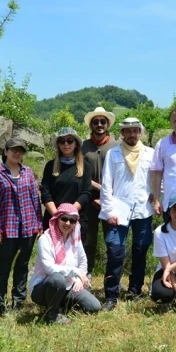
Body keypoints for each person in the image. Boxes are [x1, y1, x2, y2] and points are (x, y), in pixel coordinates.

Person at [99, 117, 155, 310]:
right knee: (115, 251)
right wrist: (109, 210)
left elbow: (157, 178)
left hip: (143, 210)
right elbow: (106, 184)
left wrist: (156, 195)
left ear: (140, 132)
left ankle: (134, 290)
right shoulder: (113, 153)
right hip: (118, 210)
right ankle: (111, 295)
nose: (132, 134)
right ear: (122, 133)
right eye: (128, 131)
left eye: (135, 130)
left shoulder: (150, 153)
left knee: (140, 250)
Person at [0, 137, 42, 316]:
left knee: (22, 265)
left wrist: (39, 223)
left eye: (20, 150)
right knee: (3, 267)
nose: (17, 153)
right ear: (5, 152)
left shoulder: (28, 172)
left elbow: (35, 199)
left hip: (28, 228)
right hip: (6, 229)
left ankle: (18, 302)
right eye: (13, 150)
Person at [29, 204, 101, 324]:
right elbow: (50, 269)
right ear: (57, 218)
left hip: (69, 285)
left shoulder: (75, 240)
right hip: (43, 288)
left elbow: (83, 261)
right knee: (57, 279)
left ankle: (60, 305)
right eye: (64, 219)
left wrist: (78, 279)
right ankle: (52, 315)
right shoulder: (45, 240)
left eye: (72, 220)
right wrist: (75, 271)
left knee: (94, 306)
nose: (67, 223)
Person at [81, 107, 119, 284]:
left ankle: (112, 277)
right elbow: (79, 173)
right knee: (88, 239)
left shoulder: (117, 146)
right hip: (89, 200)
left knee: (112, 239)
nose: (99, 125)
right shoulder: (83, 147)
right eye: (95, 122)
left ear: (108, 124)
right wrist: (99, 190)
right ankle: (86, 273)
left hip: (112, 200)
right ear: (91, 124)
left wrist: (105, 195)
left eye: (103, 121)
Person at [40, 127, 92, 246]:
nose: (66, 144)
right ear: (58, 144)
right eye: (62, 141)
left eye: (69, 140)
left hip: (76, 219)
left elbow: (86, 192)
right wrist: (57, 216)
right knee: (51, 257)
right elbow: (45, 192)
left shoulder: (85, 167)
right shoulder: (51, 166)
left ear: (76, 144)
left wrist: (69, 215)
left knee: (73, 258)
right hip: (53, 218)